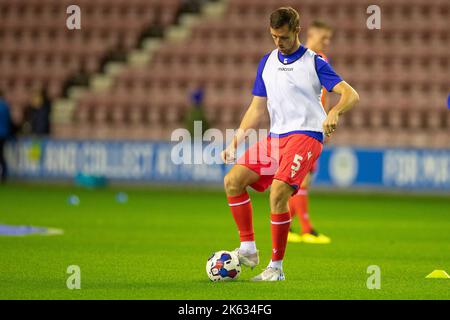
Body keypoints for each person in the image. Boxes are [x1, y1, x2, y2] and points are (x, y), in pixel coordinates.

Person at [221, 7, 359, 281]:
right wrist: (236, 141)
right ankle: (248, 249)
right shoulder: (268, 62)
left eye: (283, 37)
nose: (278, 42)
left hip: (306, 135)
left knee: (278, 193)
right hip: (276, 137)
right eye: (273, 36)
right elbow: (257, 108)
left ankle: (276, 268)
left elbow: (350, 94)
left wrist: (334, 112)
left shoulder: (314, 62)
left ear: (297, 31)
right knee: (233, 181)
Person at [287, 20, 335, 244]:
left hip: (316, 125)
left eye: (328, 39)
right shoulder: (300, 59)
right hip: (301, 126)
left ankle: (286, 226)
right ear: (311, 34)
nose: (326, 43)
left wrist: (325, 120)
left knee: (304, 179)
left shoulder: (322, 60)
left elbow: (325, 95)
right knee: (302, 179)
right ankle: (306, 228)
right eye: (323, 38)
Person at [0, 90, 12, 183]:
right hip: (4, 134)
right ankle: (4, 175)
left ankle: (4, 175)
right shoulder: (5, 106)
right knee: (1, 155)